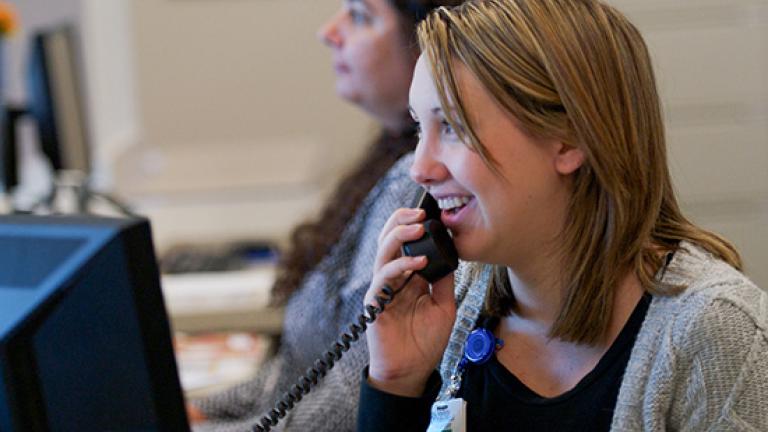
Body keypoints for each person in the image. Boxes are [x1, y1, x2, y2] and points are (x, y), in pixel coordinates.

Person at [358, 1, 768, 431]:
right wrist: (396, 384)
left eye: (453, 128)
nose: (420, 169)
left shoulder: (716, 332)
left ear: (569, 139)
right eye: (420, 129)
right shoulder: (449, 304)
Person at [187, 0, 463, 431]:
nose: (328, 32)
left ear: (426, 38)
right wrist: (197, 412)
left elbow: (344, 408)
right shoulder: (385, 160)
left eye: (360, 16)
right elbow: (293, 373)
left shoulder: (417, 186)